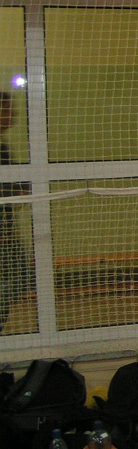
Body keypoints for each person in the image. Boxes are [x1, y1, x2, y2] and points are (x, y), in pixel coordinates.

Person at [0, 91, 35, 334]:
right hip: (3, 236)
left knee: (20, 278)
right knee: (12, 282)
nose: (12, 114)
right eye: (6, 109)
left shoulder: (2, 147)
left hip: (7, 233)